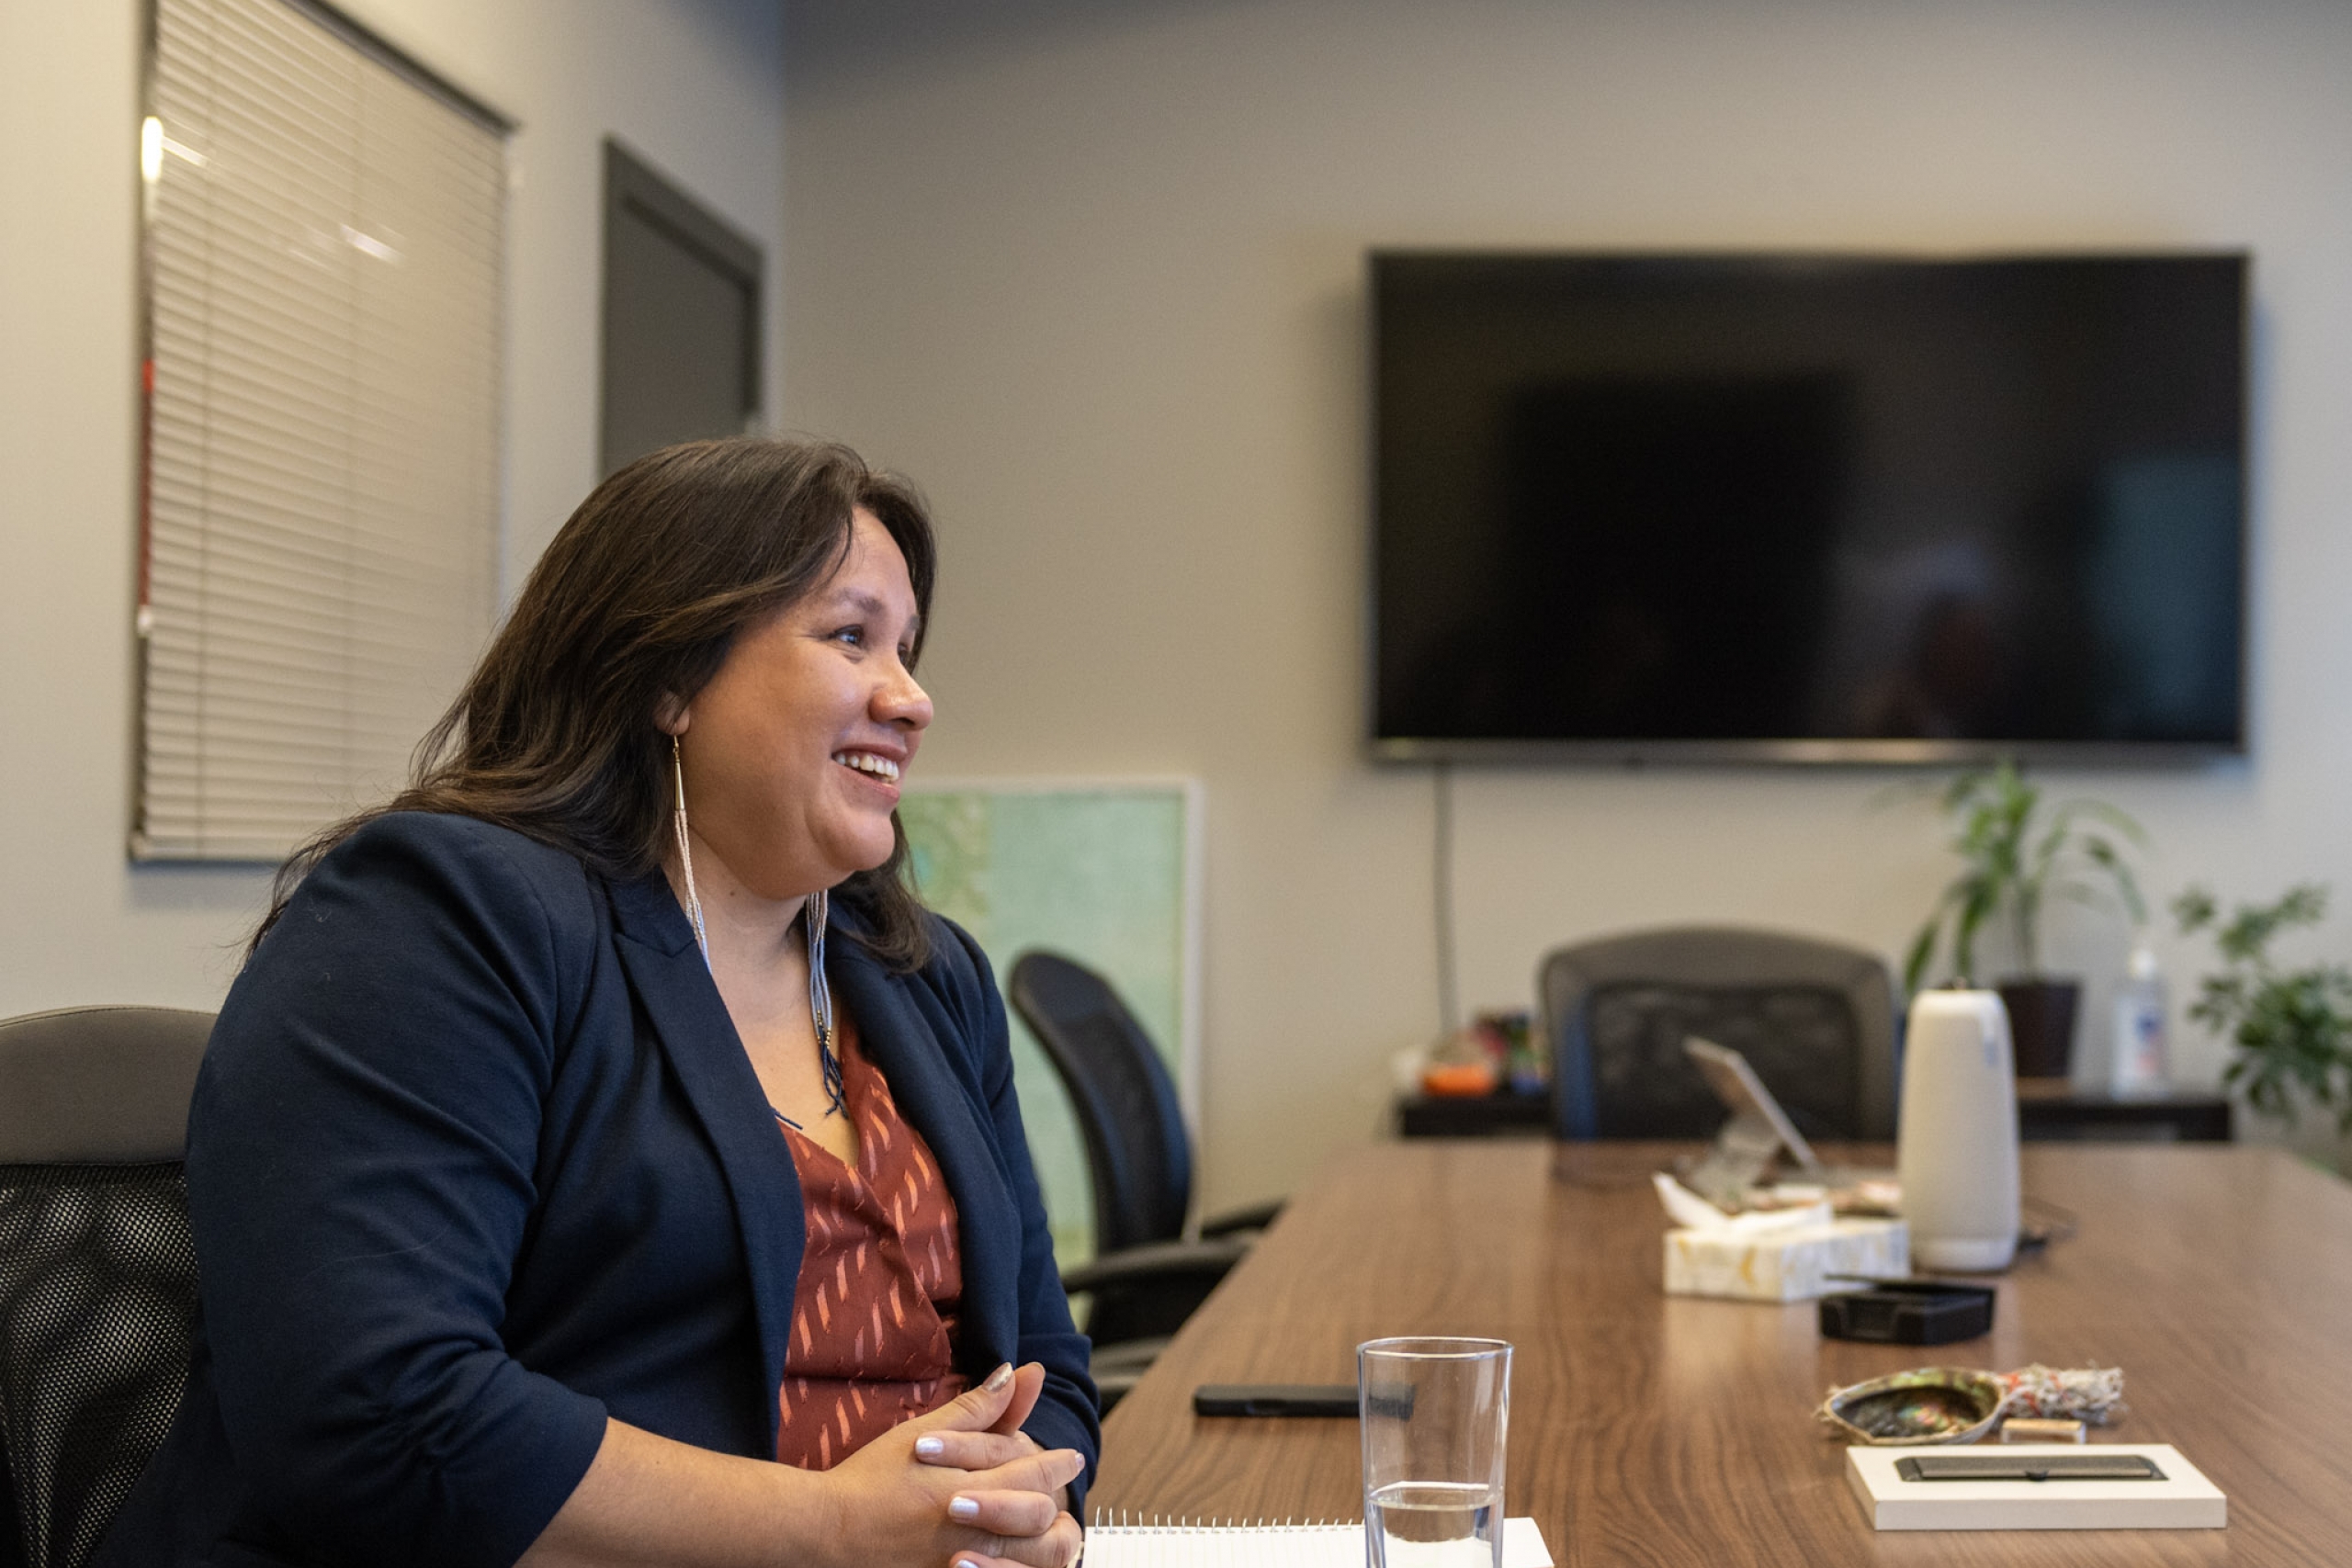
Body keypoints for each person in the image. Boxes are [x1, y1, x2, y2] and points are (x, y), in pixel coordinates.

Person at [96, 439, 1099, 1568]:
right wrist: (826, 1530)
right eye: (849, 636)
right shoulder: (447, 917)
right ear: (669, 676)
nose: (911, 700)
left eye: (908, 650)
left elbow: (1045, 1368)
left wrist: (1015, 1511)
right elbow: (381, 1408)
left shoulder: (924, 976)